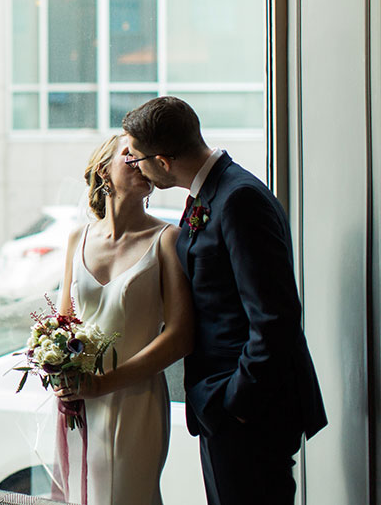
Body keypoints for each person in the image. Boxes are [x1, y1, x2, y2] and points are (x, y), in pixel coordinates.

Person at [121, 96, 327, 505]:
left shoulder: (239, 199)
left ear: (162, 161)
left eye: (136, 159)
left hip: (249, 412)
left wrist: (236, 404)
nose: (133, 166)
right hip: (222, 410)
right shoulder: (209, 194)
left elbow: (275, 318)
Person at [51, 134, 195, 505]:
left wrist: (104, 384)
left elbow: (180, 336)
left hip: (136, 401)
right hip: (80, 400)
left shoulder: (167, 240)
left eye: (146, 154)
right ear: (104, 170)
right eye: (130, 155)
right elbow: (63, 324)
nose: (141, 161)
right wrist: (57, 369)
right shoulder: (76, 239)